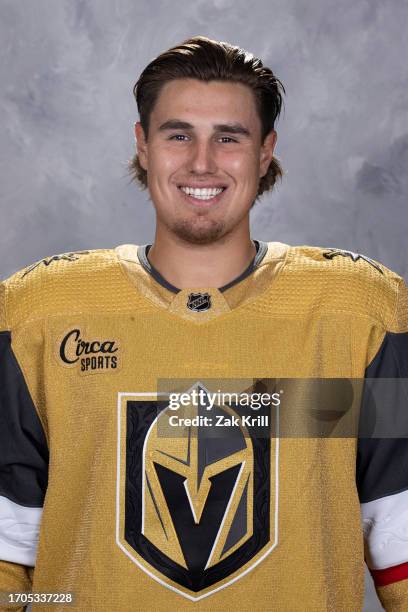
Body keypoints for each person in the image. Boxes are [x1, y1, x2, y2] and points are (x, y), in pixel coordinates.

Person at [0, 35, 407, 611]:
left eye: (228, 137)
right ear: (143, 145)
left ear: (265, 151)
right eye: (178, 134)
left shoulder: (357, 315)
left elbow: (399, 535)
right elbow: (7, 548)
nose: (201, 162)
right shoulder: (40, 316)